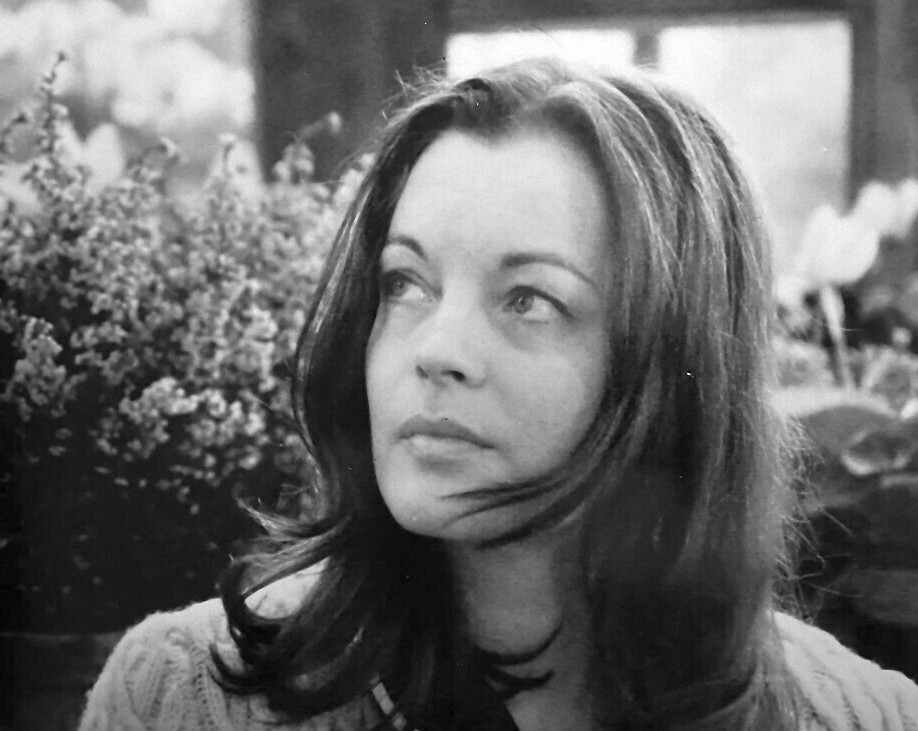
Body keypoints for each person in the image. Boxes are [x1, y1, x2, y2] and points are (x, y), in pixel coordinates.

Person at [79, 58, 918, 730]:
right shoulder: (177, 696)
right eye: (406, 283)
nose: (436, 350)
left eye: (529, 300)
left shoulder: (871, 716)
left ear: (673, 363)